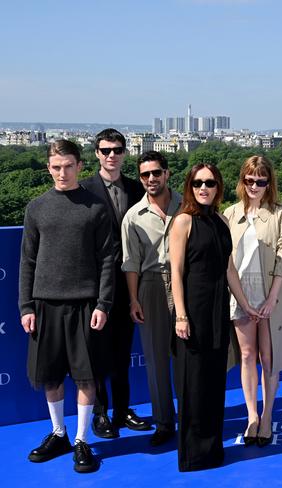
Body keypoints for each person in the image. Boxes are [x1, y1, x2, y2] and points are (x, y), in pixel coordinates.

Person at [19, 140, 113, 473]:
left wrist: (103, 303)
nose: (62, 172)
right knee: (50, 376)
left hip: (85, 306)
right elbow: (27, 261)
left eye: (68, 165)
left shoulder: (96, 208)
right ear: (48, 168)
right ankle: (58, 433)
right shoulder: (36, 208)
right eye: (56, 166)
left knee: (86, 378)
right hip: (45, 306)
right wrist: (26, 307)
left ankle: (81, 440)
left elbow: (107, 261)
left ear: (79, 166)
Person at [169, 164, 260, 471]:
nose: (204, 188)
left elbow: (228, 269)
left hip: (218, 311)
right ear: (189, 187)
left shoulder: (221, 220)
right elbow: (176, 273)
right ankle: (193, 455)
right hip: (192, 312)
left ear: (219, 186)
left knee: (213, 382)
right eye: (197, 183)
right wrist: (181, 316)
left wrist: (245, 304)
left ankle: (211, 448)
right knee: (193, 383)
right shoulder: (182, 221)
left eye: (210, 182)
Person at [224, 155, 282, 447]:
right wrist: (242, 300)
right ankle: (252, 416)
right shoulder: (229, 214)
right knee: (246, 356)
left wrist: (271, 299)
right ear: (242, 181)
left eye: (261, 181)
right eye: (249, 180)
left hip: (273, 294)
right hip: (240, 294)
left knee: (269, 359)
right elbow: (227, 261)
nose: (255, 186)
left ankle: (267, 416)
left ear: (270, 183)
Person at [81, 128, 151, 439]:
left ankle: (122, 411)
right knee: (96, 352)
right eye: (106, 149)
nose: (112, 155)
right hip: (94, 285)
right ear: (96, 152)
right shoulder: (82, 191)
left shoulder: (138, 189)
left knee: (123, 352)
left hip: (128, 283)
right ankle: (100, 412)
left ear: (125, 153)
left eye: (118, 149)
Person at [121, 151, 180, 446]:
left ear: (167, 173)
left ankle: (194, 416)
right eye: (145, 175)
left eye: (156, 173)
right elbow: (131, 262)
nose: (151, 179)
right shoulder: (133, 216)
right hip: (152, 285)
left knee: (188, 355)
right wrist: (133, 299)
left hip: (187, 284)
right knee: (156, 360)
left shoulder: (188, 204)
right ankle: (164, 422)